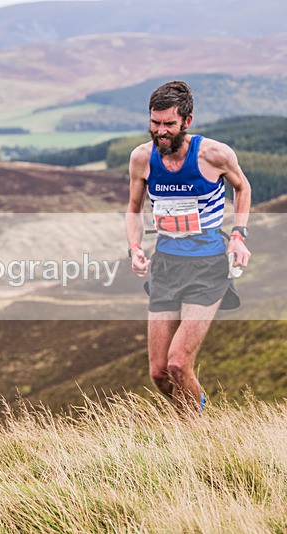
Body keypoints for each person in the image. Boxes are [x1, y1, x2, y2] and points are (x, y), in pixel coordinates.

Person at [125, 80, 251, 415]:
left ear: (187, 122)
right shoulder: (142, 158)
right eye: (154, 122)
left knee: (179, 365)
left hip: (207, 266)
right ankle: (193, 417)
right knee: (160, 374)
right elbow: (133, 209)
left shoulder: (215, 155)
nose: (160, 131)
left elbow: (243, 187)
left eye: (168, 124)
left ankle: (198, 432)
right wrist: (135, 247)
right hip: (166, 264)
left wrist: (238, 234)